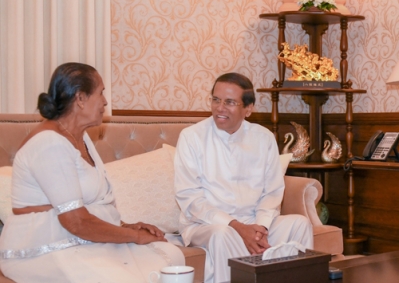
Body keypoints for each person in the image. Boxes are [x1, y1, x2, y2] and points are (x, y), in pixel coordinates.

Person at [0, 63, 184, 282]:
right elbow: (76, 222)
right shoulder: (49, 143)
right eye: (101, 93)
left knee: (172, 255)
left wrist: (126, 226)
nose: (105, 101)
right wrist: (135, 236)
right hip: (48, 249)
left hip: (81, 240)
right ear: (80, 98)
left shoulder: (82, 136)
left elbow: (93, 203)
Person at [174, 72, 313, 283]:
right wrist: (238, 227)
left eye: (229, 102)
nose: (220, 108)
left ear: (248, 109)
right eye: (216, 100)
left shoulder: (263, 137)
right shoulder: (191, 137)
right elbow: (191, 200)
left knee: (299, 224)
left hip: (254, 221)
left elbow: (273, 192)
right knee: (224, 234)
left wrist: (261, 228)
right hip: (206, 225)